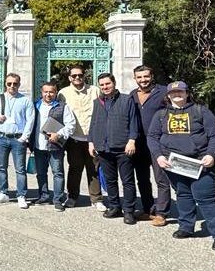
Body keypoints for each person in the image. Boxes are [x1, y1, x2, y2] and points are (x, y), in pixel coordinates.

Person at [146, 81, 215, 251]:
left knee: (205, 197)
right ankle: (186, 226)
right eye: (173, 92)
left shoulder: (200, 111)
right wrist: (159, 156)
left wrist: (211, 154)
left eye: (180, 92)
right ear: (168, 95)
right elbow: (152, 136)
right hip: (174, 163)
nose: (177, 95)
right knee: (183, 194)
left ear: (187, 93)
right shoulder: (161, 114)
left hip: (200, 162)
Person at [89, 73, 140, 225]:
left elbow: (133, 122)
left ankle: (129, 211)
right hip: (104, 148)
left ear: (114, 83)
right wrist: (91, 142)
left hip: (122, 147)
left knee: (128, 181)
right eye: (102, 85)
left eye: (107, 84)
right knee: (110, 180)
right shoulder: (97, 102)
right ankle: (115, 206)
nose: (105, 87)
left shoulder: (126, 100)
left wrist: (132, 140)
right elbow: (93, 123)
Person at [58, 66, 105, 211]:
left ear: (84, 76)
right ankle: (72, 197)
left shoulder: (95, 90)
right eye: (74, 76)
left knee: (94, 169)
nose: (77, 78)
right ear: (69, 78)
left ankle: (96, 199)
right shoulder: (63, 93)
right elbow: (58, 114)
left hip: (93, 138)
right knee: (74, 168)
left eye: (80, 75)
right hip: (74, 138)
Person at [130, 65, 170, 226]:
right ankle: (148, 209)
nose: (143, 80)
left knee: (161, 178)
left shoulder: (163, 92)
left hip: (158, 142)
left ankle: (162, 212)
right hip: (138, 143)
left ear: (152, 76)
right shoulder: (132, 95)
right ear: (135, 79)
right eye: (139, 77)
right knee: (142, 178)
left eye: (146, 76)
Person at [0, 73, 35, 208]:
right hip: (1, 136)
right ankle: (3, 192)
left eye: (15, 84)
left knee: (20, 169)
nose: (12, 86)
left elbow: (30, 120)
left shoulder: (25, 100)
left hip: (17, 138)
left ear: (19, 85)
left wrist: (24, 137)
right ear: (5, 84)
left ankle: (21, 195)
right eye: (9, 83)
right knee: (1, 167)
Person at [30, 81, 76, 212]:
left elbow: (71, 125)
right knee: (41, 173)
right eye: (46, 91)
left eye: (51, 92)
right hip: (38, 146)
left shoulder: (63, 106)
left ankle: (58, 199)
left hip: (55, 146)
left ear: (56, 93)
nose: (48, 94)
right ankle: (43, 196)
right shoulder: (35, 105)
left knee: (58, 173)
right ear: (42, 92)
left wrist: (59, 134)